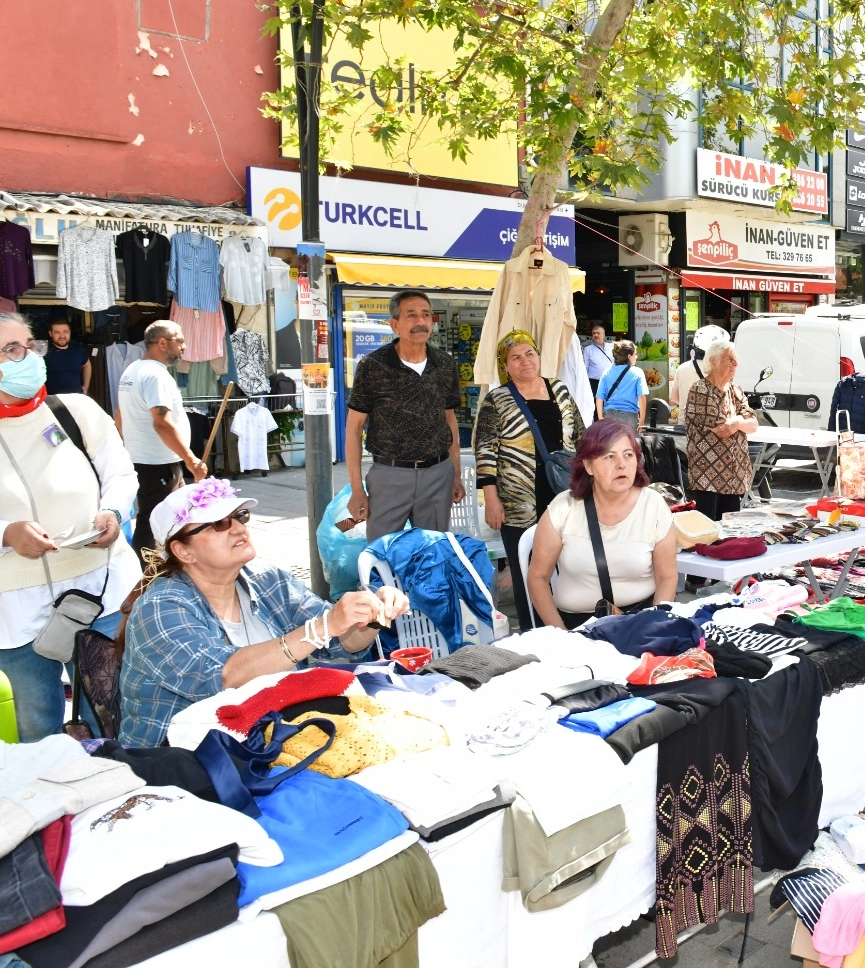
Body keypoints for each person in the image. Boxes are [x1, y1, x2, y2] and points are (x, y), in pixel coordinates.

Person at [120, 480, 408, 747]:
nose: (238, 528)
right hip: (182, 760)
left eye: (240, 516)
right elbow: (225, 676)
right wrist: (323, 626)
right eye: (219, 523)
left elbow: (342, 643)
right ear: (183, 551)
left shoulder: (265, 579)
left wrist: (370, 616)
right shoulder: (160, 608)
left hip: (266, 740)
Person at [0, 313, 140, 741]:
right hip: (18, 614)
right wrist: (7, 533)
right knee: (37, 729)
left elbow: (122, 475)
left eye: (29, 345)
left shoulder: (76, 411)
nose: (27, 357)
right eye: (11, 350)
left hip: (104, 593)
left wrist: (113, 512)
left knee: (118, 715)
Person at [475, 330, 584, 631]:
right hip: (517, 497)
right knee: (527, 568)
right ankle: (533, 631)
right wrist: (491, 499)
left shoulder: (559, 390)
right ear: (505, 366)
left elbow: (582, 436)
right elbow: (485, 450)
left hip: (563, 493)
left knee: (569, 563)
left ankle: (568, 626)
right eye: (516, 357)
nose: (525, 362)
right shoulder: (496, 400)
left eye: (530, 354)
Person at [527, 418, 677, 629]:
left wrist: (655, 623)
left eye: (628, 455)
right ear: (588, 465)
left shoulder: (653, 505)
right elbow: (538, 577)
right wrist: (560, 635)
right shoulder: (563, 508)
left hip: (640, 620)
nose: (621, 464)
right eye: (609, 456)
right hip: (576, 627)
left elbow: (667, 577)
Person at [344, 290, 465, 540]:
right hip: (389, 476)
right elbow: (354, 429)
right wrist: (357, 489)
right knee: (383, 553)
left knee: (431, 554)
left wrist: (456, 475)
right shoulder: (373, 365)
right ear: (394, 324)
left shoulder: (444, 364)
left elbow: (450, 421)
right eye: (411, 315)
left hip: (437, 474)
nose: (421, 322)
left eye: (425, 315)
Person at [116, 321, 207, 550]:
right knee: (154, 522)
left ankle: (160, 569)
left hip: (145, 459)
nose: (184, 346)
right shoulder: (155, 376)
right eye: (180, 340)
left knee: (165, 518)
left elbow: (119, 414)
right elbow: (162, 423)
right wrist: (191, 460)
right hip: (158, 462)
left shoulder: (132, 370)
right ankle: (146, 576)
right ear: (163, 343)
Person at [684, 340, 757, 521]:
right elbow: (722, 427)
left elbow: (754, 424)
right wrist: (740, 421)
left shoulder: (735, 390)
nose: (735, 364)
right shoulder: (700, 390)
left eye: (736, 359)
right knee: (707, 530)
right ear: (713, 361)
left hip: (734, 476)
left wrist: (737, 423)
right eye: (730, 359)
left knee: (730, 532)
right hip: (709, 477)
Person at [595, 340, 648, 428]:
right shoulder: (638, 372)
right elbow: (641, 397)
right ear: (629, 356)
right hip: (629, 416)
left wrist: (600, 418)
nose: (636, 357)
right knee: (630, 441)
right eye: (635, 354)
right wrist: (642, 421)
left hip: (609, 416)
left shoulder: (606, 372)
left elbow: (599, 397)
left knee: (610, 442)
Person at [44, 318, 90, 396]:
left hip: (77, 399)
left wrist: (86, 387)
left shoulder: (78, 350)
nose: (62, 336)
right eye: (57, 332)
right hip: (52, 401)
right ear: (50, 333)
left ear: (70, 332)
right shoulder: (45, 352)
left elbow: (87, 365)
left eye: (65, 332)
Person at [583, 324, 613, 394]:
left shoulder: (611, 347)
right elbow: (585, 367)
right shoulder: (588, 349)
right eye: (594, 333)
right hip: (594, 382)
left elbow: (616, 363)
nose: (596, 335)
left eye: (598, 333)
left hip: (610, 381)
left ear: (603, 335)